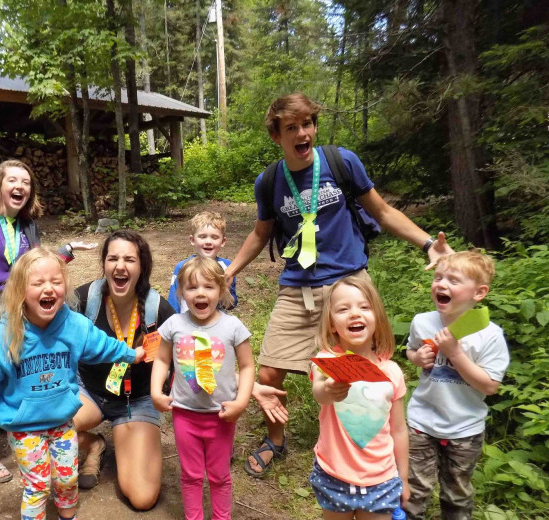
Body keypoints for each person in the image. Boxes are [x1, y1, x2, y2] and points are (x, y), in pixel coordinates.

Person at [222, 92, 454, 477]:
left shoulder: (341, 162)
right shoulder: (270, 181)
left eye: (307, 124)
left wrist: (429, 243)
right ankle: (275, 440)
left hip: (349, 284)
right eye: (291, 127)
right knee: (268, 372)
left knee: (369, 367)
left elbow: (381, 210)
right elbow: (261, 233)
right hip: (297, 286)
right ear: (276, 136)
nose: (303, 133)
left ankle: (374, 446)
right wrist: (230, 272)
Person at [0, 247, 145, 520]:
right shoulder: (4, 337)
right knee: (37, 486)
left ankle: (67, 516)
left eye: (56, 282)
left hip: (63, 423)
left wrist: (131, 354)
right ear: (20, 291)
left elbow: (102, 346)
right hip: (25, 428)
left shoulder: (74, 325)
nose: (48, 289)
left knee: (66, 480)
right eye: (38, 283)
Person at [0, 159, 95, 483]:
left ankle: (22, 425)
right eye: (12, 180)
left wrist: (66, 252)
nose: (20, 187)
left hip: (22, 308)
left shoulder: (28, 224)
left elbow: (35, 267)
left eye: (26, 182)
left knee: (26, 368)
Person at [72, 230, 175, 509]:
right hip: (89, 392)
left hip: (136, 401)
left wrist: (241, 382)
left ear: (142, 267)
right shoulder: (83, 299)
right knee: (46, 428)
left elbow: (189, 354)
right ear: (104, 264)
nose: (120, 266)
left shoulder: (158, 310)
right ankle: (93, 444)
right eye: (112, 258)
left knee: (142, 498)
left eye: (130, 259)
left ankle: (121, 440)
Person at [403, 252, 509, 520]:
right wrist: (418, 358)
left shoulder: (489, 334)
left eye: (453, 280)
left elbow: (490, 386)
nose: (441, 284)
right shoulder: (422, 321)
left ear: (479, 292)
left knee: (457, 493)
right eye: (438, 277)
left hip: (464, 428)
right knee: (413, 490)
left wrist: (455, 353)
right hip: (421, 422)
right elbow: (411, 351)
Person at [151, 256, 255, 520]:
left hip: (221, 415)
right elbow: (162, 359)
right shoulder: (174, 325)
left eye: (208, 287)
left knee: (220, 475)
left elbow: (247, 367)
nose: (200, 293)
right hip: (184, 414)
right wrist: (156, 392)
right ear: (181, 293)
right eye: (192, 287)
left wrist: (241, 402)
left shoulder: (233, 327)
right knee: (191, 475)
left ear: (221, 291)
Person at [309, 274, 409, 518]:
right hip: (333, 474)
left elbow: (398, 429)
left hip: (381, 478)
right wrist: (329, 391)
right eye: (343, 309)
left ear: (377, 318)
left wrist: (403, 476)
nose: (355, 313)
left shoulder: (392, 372)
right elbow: (320, 394)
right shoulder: (326, 362)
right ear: (332, 324)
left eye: (364, 307)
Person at [168, 211, 237, 312]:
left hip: (217, 323)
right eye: (203, 236)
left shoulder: (228, 267)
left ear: (223, 241)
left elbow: (232, 303)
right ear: (192, 240)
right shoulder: (182, 267)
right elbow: (174, 300)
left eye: (214, 237)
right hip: (187, 323)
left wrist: (224, 292)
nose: (208, 242)